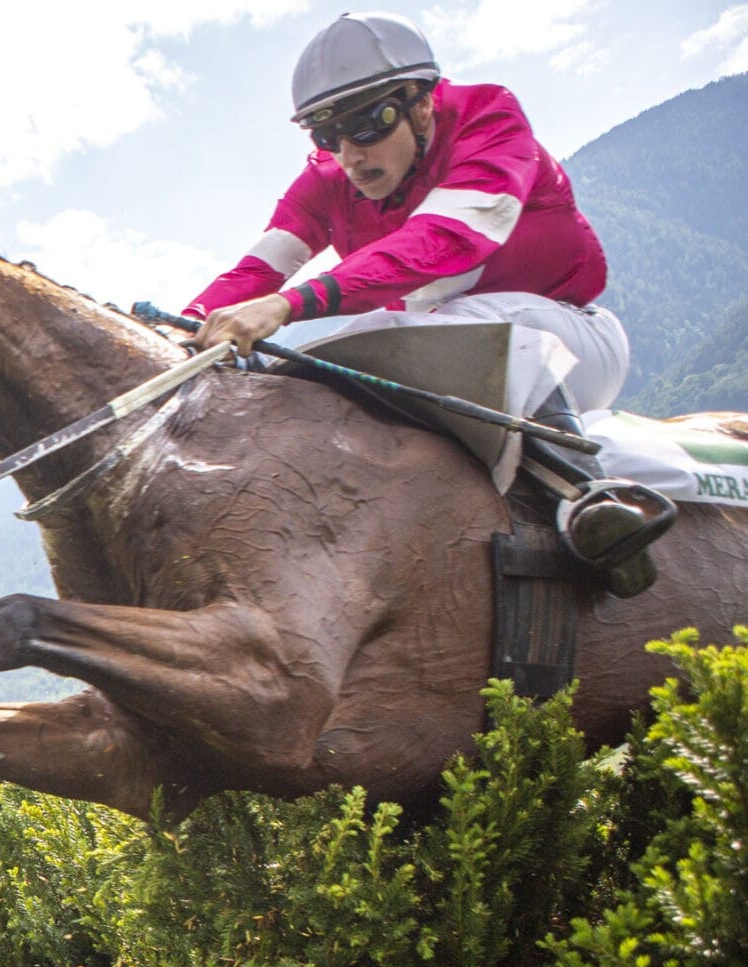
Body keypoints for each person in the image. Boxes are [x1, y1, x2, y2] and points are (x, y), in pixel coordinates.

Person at [184, 11, 669, 595]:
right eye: (326, 137)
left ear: (421, 104)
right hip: (453, 361)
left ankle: (591, 496)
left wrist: (286, 307)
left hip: (568, 341)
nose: (350, 156)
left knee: (422, 323)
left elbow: (437, 246)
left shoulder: (490, 119)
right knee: (320, 358)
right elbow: (259, 270)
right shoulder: (328, 180)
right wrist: (181, 326)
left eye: (365, 127)